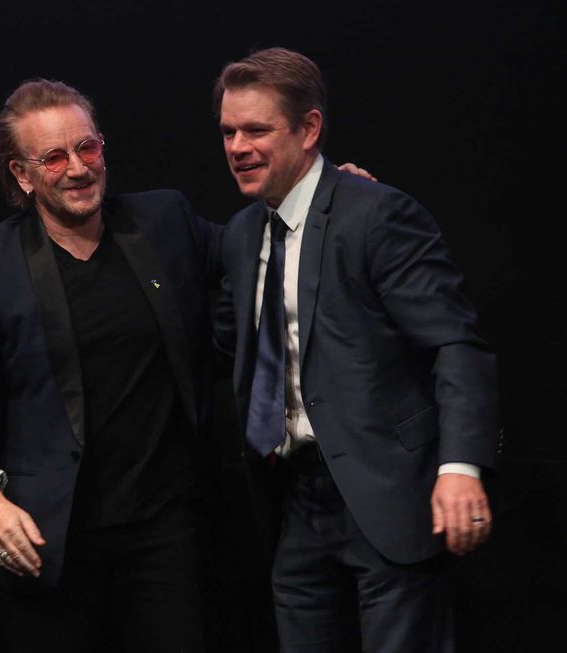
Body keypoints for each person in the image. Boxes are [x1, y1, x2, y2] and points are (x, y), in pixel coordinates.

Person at [213, 47, 500, 651]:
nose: (238, 146)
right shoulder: (242, 235)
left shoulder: (375, 214)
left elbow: (456, 345)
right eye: (229, 131)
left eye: (256, 130)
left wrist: (460, 467)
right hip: (293, 500)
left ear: (309, 128)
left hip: (390, 494)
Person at [0, 78, 219, 652]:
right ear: (22, 174)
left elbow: (256, 247)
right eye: (55, 157)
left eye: (87, 148)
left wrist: (330, 196)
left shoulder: (162, 219)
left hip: (164, 532)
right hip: (49, 542)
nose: (78, 168)